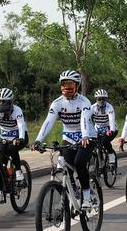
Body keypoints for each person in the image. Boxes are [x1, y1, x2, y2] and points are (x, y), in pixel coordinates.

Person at [32, 70, 96, 208]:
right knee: (65, 165)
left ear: (77, 86)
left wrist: (85, 135)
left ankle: (87, 197)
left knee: (79, 163)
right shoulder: (57, 103)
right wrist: (38, 140)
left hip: (87, 136)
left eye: (70, 85)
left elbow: (84, 119)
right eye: (64, 84)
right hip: (68, 137)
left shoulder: (84, 101)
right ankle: (71, 190)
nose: (66, 88)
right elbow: (48, 122)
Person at [91, 89, 117, 164]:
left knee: (104, 141)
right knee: (95, 144)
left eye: (103, 99)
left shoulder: (109, 107)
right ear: (96, 99)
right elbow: (87, 119)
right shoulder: (92, 108)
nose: (101, 101)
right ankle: (101, 162)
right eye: (99, 99)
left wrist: (111, 130)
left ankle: (111, 154)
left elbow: (112, 119)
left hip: (109, 128)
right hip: (98, 128)